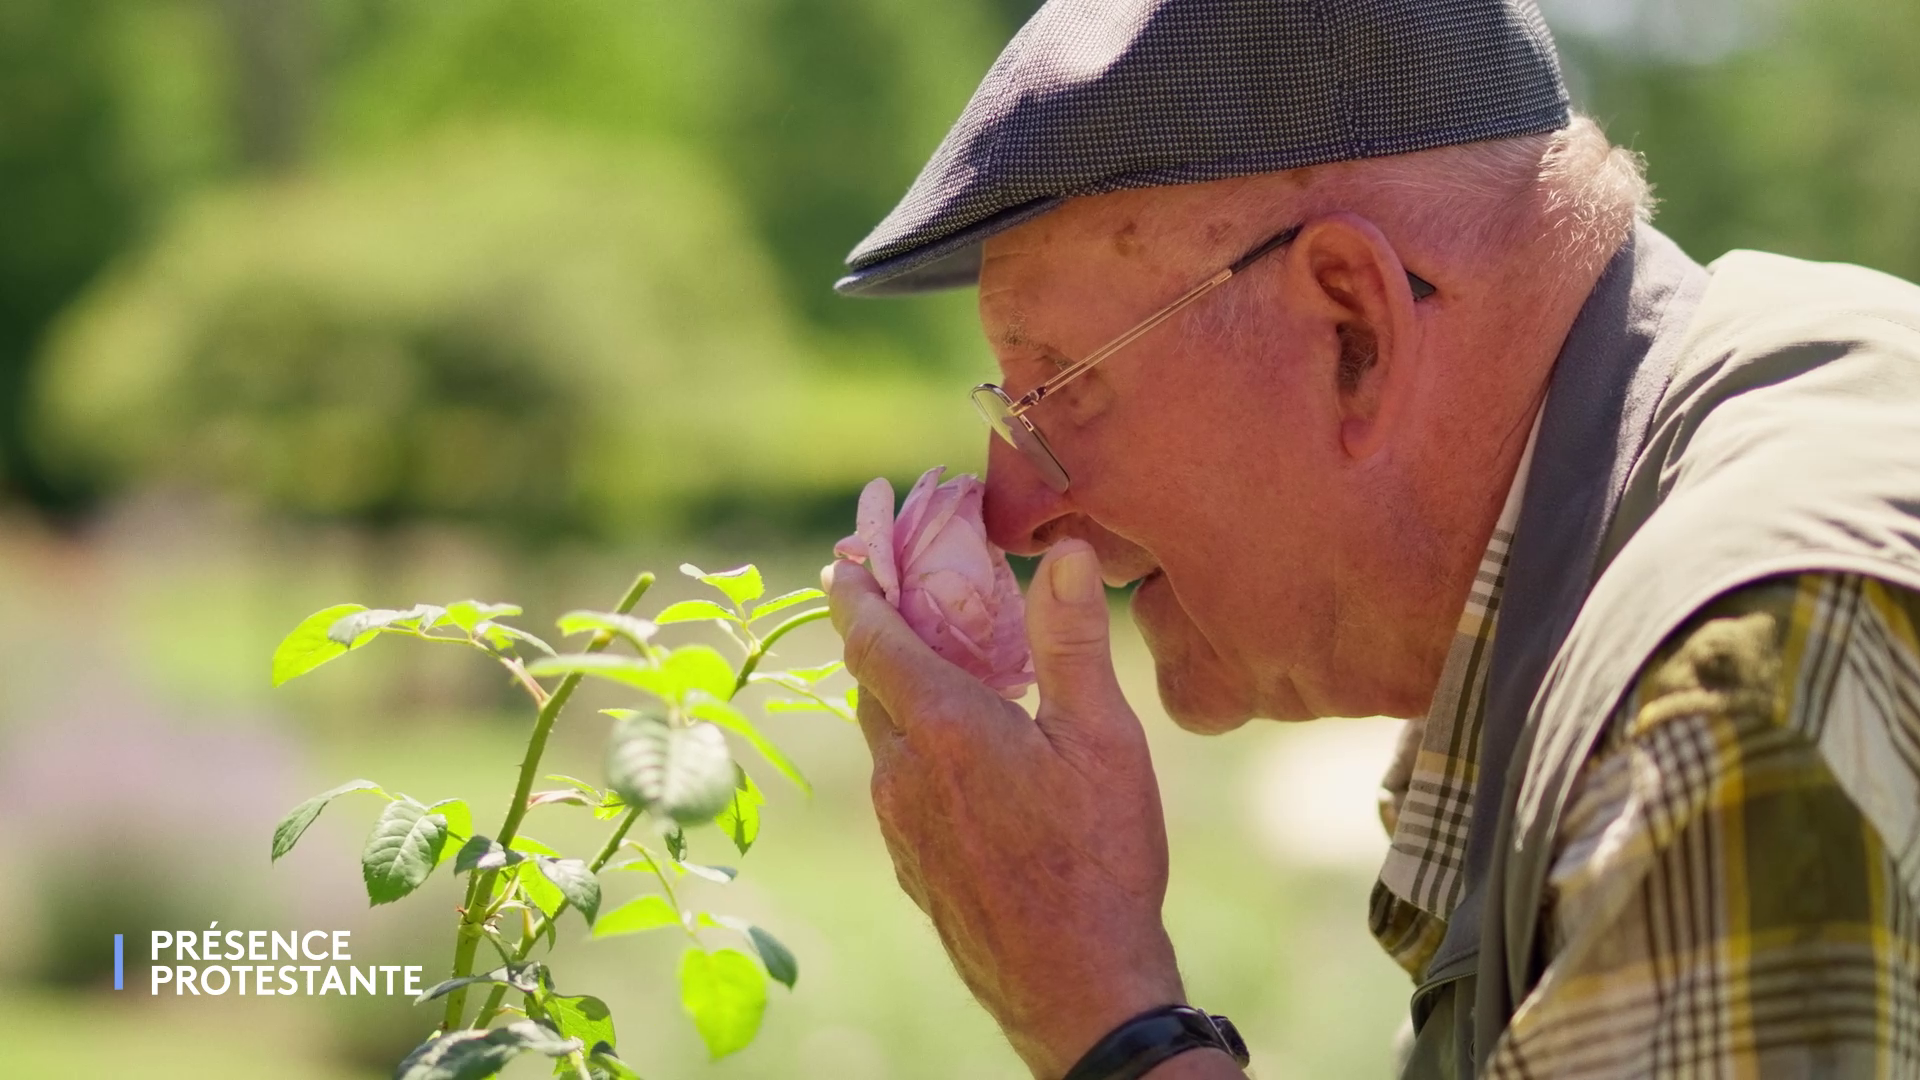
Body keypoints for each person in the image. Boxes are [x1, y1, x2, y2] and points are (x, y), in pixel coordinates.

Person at [820, 1, 1920, 1077]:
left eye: (1058, 389)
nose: (1011, 513)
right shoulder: (1721, 441)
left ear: (1354, 330)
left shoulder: (1734, 694)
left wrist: (1104, 1015)